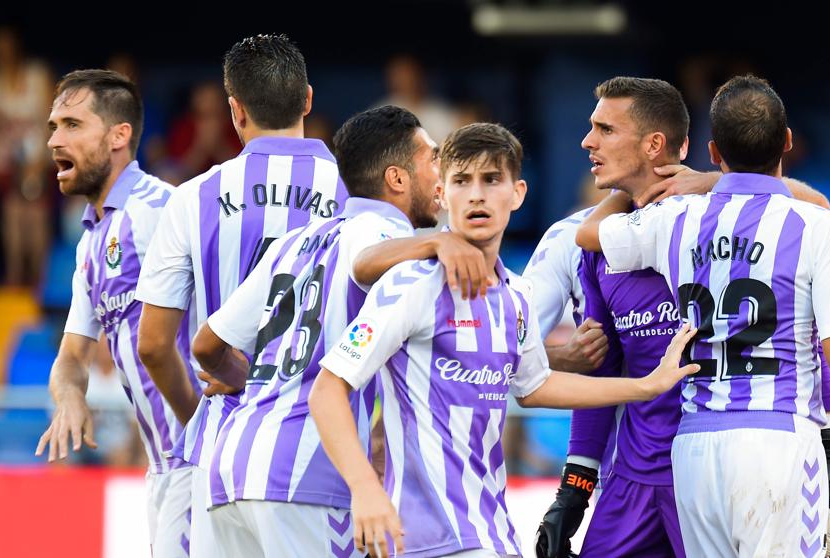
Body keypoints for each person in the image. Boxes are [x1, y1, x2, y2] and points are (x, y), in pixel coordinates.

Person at [309, 122, 702, 558]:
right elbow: (327, 390)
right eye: (462, 181)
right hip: (424, 539)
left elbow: (535, 386)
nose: (476, 195)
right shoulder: (412, 283)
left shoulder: (516, 295)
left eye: (491, 179)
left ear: (517, 194)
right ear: (442, 194)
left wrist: (645, 386)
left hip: (492, 532)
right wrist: (365, 489)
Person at [576, 75, 830, 557]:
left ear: (713, 150)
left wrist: (689, 184)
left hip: (695, 446)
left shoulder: (676, 219)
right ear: (787, 142)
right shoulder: (817, 225)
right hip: (777, 441)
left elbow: (589, 234)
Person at [187, 105, 490, 557]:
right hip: (304, 478)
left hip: (230, 468)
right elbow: (365, 263)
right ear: (397, 179)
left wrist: (253, 380)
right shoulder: (386, 236)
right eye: (432, 158)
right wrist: (438, 240)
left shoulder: (294, 242)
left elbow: (207, 346)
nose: (442, 175)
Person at [135, 34, 347, 556]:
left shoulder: (191, 197)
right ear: (307, 100)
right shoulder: (358, 195)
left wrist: (201, 418)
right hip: (322, 455)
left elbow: (154, 346)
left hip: (221, 455)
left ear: (235, 110)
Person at [35, 69, 194, 557]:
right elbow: (71, 358)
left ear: (119, 135)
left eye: (72, 125)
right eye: (53, 127)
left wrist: (202, 429)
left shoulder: (163, 209)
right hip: (163, 467)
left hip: (202, 455)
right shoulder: (88, 244)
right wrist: (70, 398)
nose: (54, 140)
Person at [0, 26, 54, 286]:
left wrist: (42, 160)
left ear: (17, 47)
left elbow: (53, 117)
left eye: (8, 47)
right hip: (8, 159)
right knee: (12, 215)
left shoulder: (38, 75)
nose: (4, 54)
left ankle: (39, 277)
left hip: (41, 153)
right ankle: (14, 276)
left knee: (35, 215)